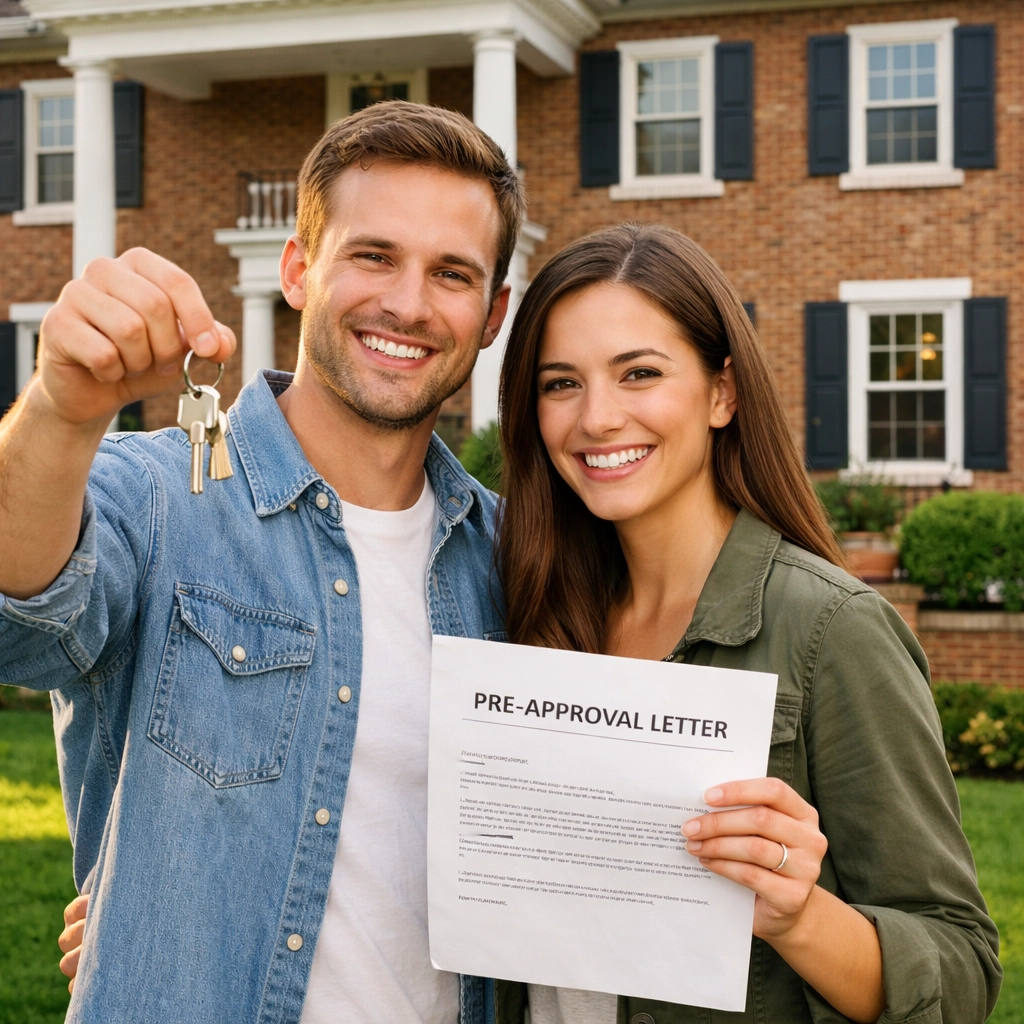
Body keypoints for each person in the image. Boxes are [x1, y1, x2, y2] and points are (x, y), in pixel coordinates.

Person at [0, 101, 522, 1023]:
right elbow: (22, 617)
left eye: (452, 273)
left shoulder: (515, 560)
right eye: (373, 256)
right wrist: (60, 407)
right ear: (297, 270)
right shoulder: (160, 497)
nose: (408, 302)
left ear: (492, 315)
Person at [492, 223, 1002, 1024]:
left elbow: (962, 969)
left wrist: (799, 917)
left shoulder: (831, 630)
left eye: (640, 373)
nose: (596, 418)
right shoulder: (534, 615)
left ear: (723, 392)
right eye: (561, 384)